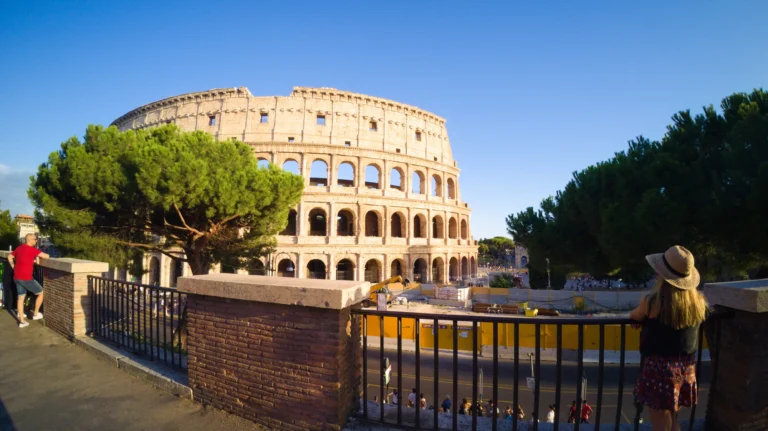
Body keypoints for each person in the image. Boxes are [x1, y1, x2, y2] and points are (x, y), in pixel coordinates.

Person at [630, 246, 707, 431]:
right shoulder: (698, 302)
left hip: (659, 369)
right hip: (685, 367)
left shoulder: (652, 301)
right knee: (672, 418)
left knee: (660, 423)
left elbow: (635, 316)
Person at [8, 234, 50, 328]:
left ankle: (22, 321)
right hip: (26, 278)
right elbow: (47, 256)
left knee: (21, 298)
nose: (36, 241)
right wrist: (38, 256)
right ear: (30, 240)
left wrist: (13, 267)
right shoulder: (32, 249)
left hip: (17, 277)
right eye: (35, 239)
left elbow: (9, 257)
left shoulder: (19, 248)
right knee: (41, 292)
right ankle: (35, 314)